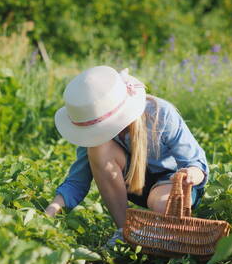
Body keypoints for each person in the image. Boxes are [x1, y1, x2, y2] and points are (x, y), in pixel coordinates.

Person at [44, 66, 208, 247]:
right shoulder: (95, 136)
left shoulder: (160, 114)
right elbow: (77, 182)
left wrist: (191, 175)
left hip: (173, 184)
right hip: (135, 185)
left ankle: (157, 233)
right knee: (98, 149)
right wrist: (51, 211)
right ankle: (125, 230)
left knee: (162, 205)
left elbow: (196, 162)